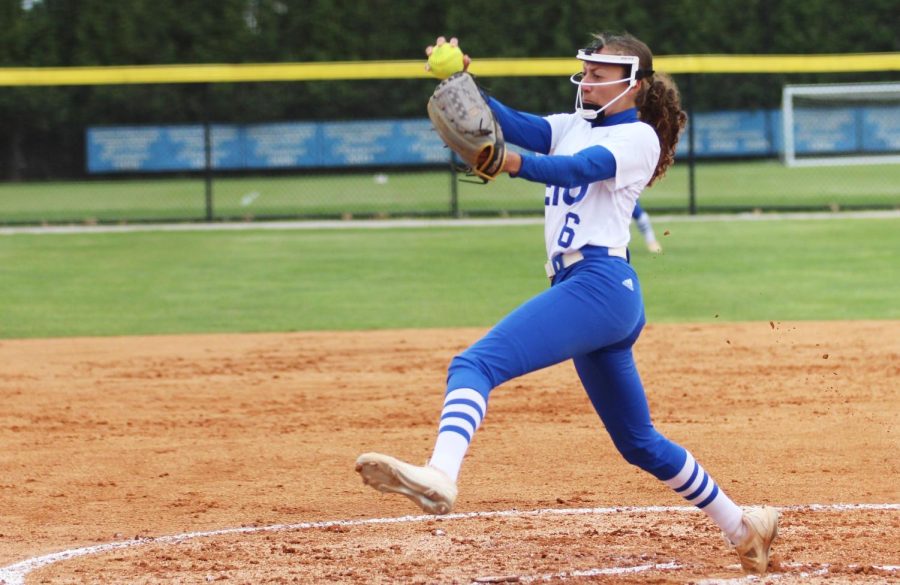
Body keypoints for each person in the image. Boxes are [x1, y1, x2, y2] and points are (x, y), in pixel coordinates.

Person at [356, 33, 778, 575]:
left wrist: (510, 165)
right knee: (640, 443)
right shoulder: (571, 124)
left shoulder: (639, 138)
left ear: (635, 85)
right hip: (589, 292)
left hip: (599, 284)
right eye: (588, 70)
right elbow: (505, 121)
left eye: (603, 72)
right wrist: (458, 76)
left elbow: (576, 170)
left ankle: (441, 473)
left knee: (474, 363)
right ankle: (744, 527)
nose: (590, 79)